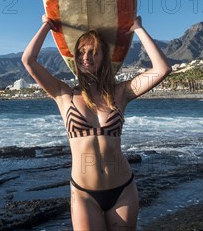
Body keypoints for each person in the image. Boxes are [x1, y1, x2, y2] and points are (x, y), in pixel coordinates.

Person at [22, 15, 171, 230]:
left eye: (93, 52)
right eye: (81, 52)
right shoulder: (63, 94)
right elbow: (29, 60)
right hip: (84, 193)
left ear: (104, 58)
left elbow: (162, 69)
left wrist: (138, 28)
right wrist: (47, 25)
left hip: (122, 190)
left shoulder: (120, 93)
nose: (86, 57)